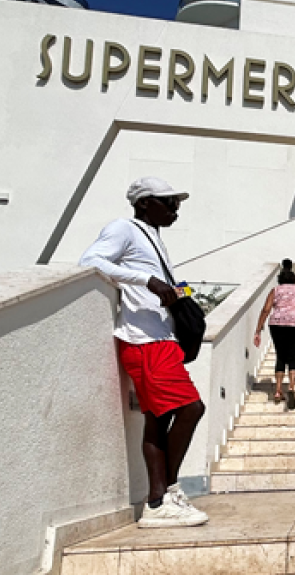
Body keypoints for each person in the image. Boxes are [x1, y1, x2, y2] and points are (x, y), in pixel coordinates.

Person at [78, 176, 209, 528]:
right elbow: (91, 261)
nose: (175, 210)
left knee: (159, 418)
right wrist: (147, 281)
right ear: (144, 202)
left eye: (176, 204)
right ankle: (163, 494)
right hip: (144, 340)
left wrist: (178, 293)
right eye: (168, 203)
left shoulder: (154, 239)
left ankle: (159, 499)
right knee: (191, 409)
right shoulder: (125, 228)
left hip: (159, 338)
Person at [252, 259, 295, 410]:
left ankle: (278, 390)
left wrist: (258, 329)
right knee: (293, 356)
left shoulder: (275, 290)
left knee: (280, 355)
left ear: (280, 280)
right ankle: (291, 386)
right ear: (294, 280)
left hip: (277, 324)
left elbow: (266, 309)